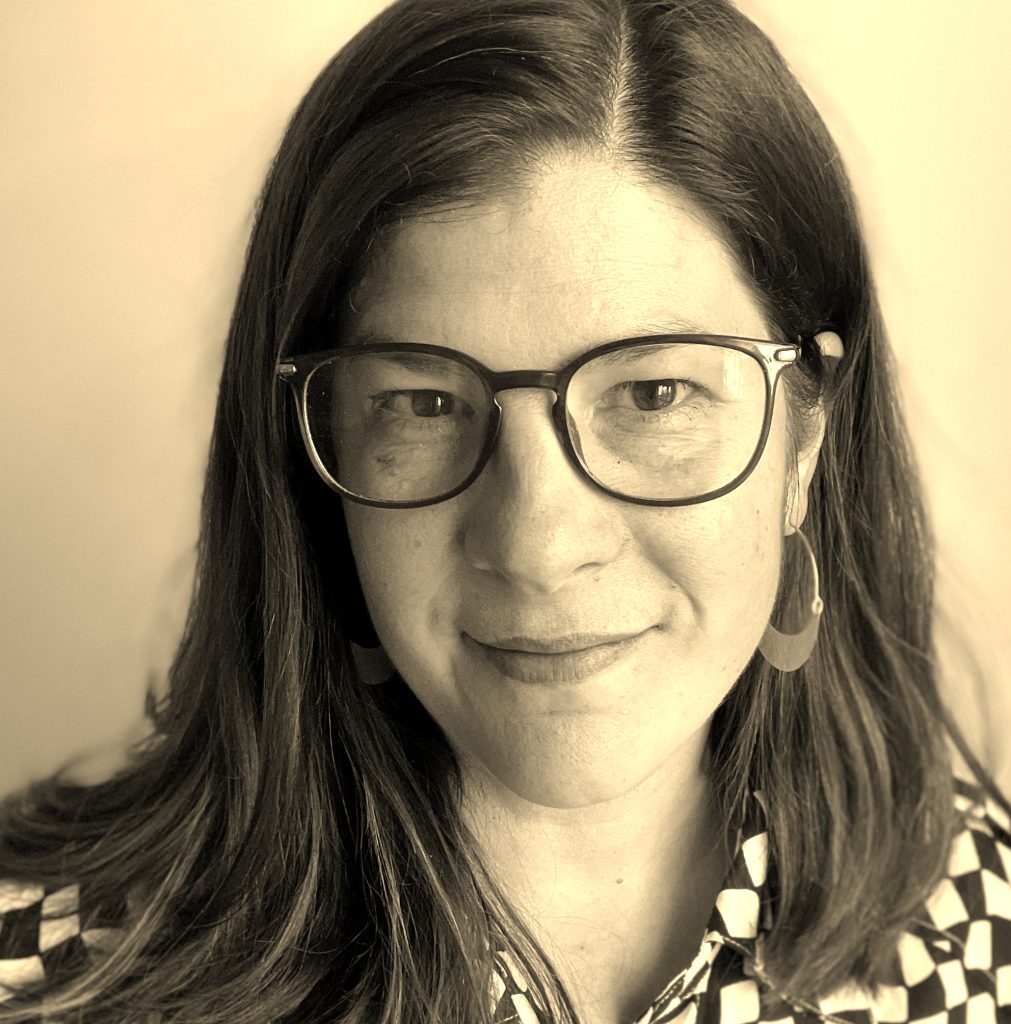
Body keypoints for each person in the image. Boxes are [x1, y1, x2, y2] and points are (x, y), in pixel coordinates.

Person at [1, 0, 1009, 1021]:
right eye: (426, 404)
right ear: (320, 455)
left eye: (654, 395)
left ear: (804, 441)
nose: (538, 543)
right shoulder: (50, 982)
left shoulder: (983, 929)